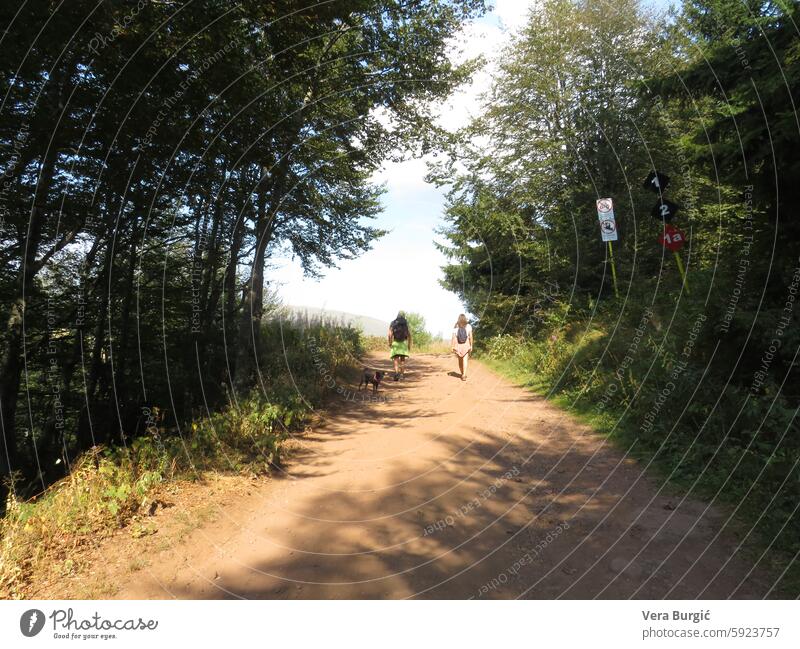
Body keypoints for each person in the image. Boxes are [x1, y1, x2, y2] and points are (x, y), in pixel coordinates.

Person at [388, 311, 412, 380]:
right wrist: (409, 345)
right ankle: (402, 375)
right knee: (402, 360)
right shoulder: (406, 323)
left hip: (395, 343)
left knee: (396, 360)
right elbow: (409, 335)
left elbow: (389, 334)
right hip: (403, 343)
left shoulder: (393, 323)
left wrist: (390, 343)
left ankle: (396, 373)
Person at [450, 314, 473, 381]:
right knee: (465, 360)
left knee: (460, 361)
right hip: (466, 344)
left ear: (458, 319)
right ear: (465, 319)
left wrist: (452, 346)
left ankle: (462, 373)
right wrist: (471, 346)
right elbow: (471, 337)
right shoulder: (468, 326)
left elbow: (453, 337)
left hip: (458, 345)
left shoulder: (456, 326)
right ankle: (464, 374)